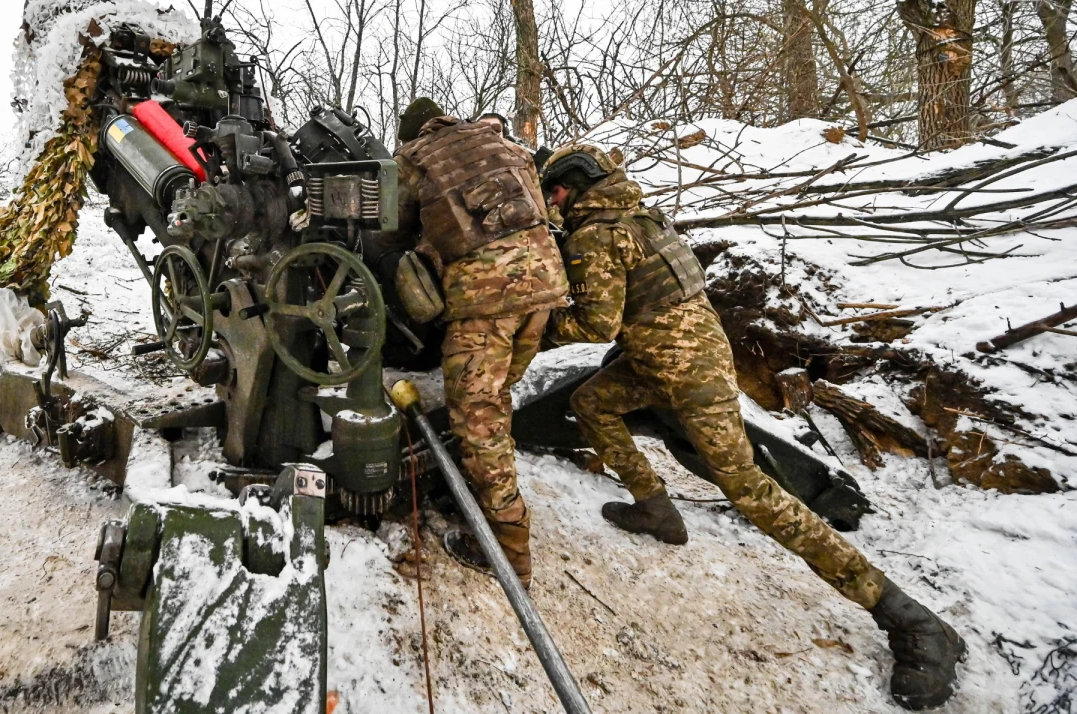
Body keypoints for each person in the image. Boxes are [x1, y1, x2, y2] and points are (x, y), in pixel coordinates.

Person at [539, 143, 966, 710]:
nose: (552, 201)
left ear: (575, 183)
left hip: (686, 369)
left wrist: (536, 327)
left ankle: (912, 620)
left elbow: (596, 321)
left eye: (556, 191)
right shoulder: (636, 215)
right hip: (668, 356)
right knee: (593, 402)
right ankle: (655, 507)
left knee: (750, 489)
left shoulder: (598, 232)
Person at [392, 98, 569, 588]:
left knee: (477, 418)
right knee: (495, 400)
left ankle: (508, 551)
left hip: (487, 296)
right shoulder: (498, 141)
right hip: (545, 285)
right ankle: (476, 486)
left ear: (410, 135)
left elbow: (394, 229)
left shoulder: (414, 157)